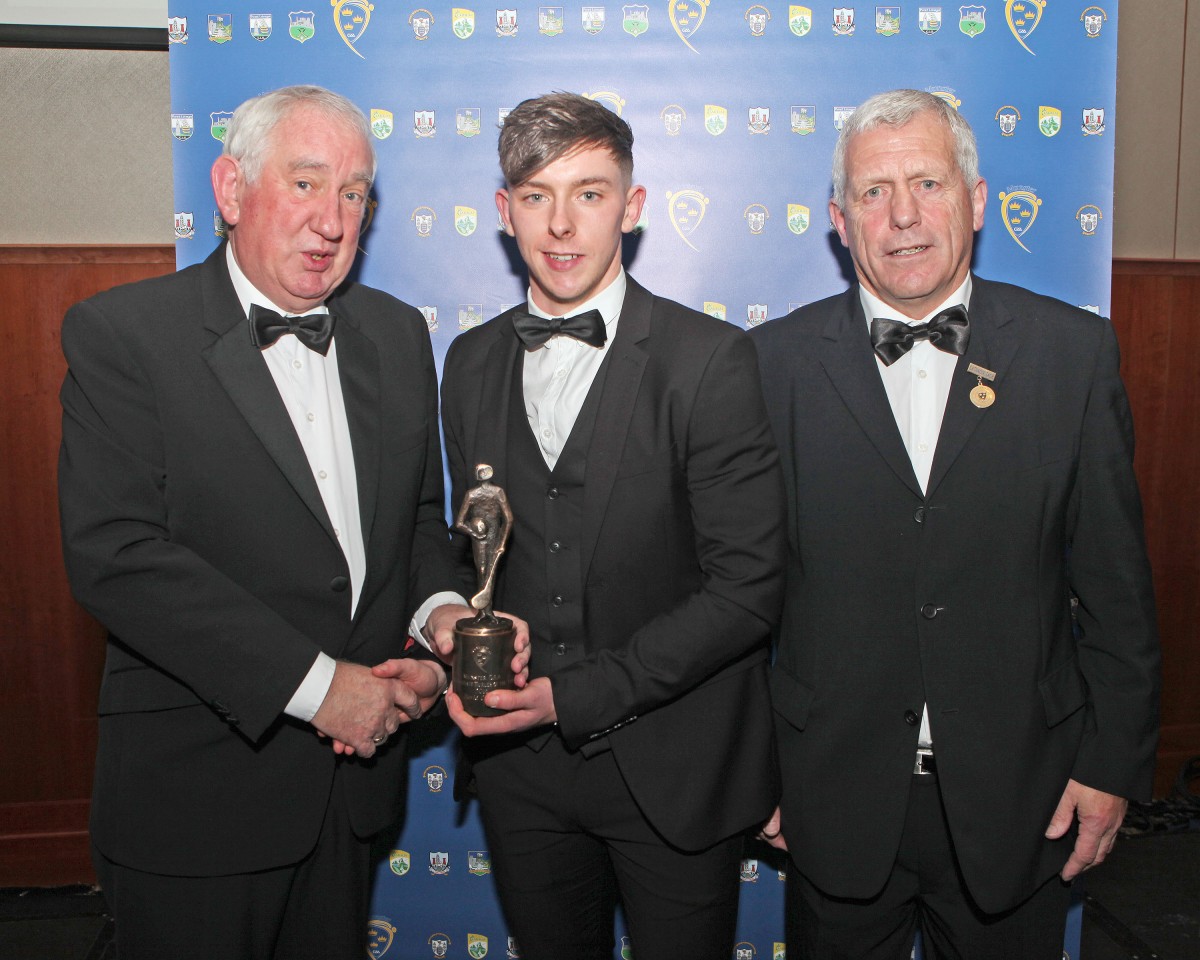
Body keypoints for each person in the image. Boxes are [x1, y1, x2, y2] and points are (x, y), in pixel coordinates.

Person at [57, 85, 497, 959]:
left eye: (353, 192)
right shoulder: (124, 335)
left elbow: (413, 523)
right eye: (304, 183)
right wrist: (321, 687)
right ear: (230, 191)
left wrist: (435, 622)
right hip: (197, 803)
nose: (331, 220)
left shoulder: (397, 334)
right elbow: (117, 555)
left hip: (349, 797)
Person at [752, 89, 1160, 958]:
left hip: (1025, 798)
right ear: (838, 219)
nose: (902, 214)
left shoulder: (1070, 357)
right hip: (831, 794)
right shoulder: (769, 366)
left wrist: (1110, 765)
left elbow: (1117, 591)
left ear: (975, 200)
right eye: (873, 192)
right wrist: (753, 773)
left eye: (928, 183)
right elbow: (741, 599)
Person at [432, 92, 787, 960]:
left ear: (631, 210)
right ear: (502, 211)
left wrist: (574, 696)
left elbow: (748, 589)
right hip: (519, 775)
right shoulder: (469, 362)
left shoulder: (709, 361)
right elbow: (461, 548)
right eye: (535, 194)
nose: (560, 223)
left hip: (673, 766)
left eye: (589, 193)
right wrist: (443, 613)